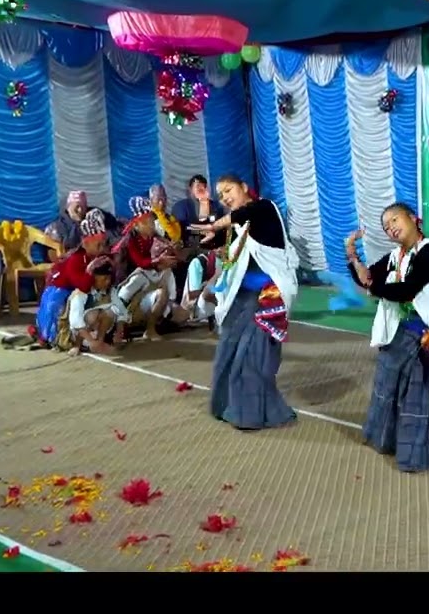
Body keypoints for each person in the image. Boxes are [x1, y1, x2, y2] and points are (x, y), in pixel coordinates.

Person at [346, 203, 429, 473]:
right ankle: (386, 440)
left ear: (414, 219)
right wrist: (352, 256)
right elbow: (369, 278)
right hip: (397, 333)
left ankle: (413, 456)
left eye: (395, 219)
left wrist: (374, 288)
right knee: (387, 388)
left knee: (416, 394)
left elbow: (406, 290)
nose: (391, 227)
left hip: (424, 335)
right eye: (386, 226)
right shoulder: (397, 255)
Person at [188, 174, 300, 431]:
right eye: (221, 195)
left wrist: (216, 226)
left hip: (268, 298)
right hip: (241, 298)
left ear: (244, 188)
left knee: (252, 355)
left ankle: (251, 414)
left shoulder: (265, 208)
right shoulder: (237, 228)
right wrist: (208, 218)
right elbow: (211, 239)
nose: (225, 197)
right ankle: (227, 406)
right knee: (228, 349)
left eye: (229, 190)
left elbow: (237, 217)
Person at [27, 209, 112, 351]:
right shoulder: (76, 259)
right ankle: (54, 337)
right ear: (86, 244)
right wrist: (90, 270)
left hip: (76, 292)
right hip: (60, 290)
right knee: (59, 306)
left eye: (103, 244)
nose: (102, 248)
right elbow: (82, 286)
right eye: (98, 245)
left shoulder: (97, 258)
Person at [111, 196, 184, 341]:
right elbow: (141, 262)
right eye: (148, 222)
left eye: (151, 220)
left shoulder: (151, 235)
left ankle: (152, 328)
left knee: (165, 279)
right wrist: (159, 261)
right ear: (138, 225)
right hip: (127, 286)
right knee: (140, 276)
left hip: (144, 282)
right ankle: (119, 324)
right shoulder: (129, 240)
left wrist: (171, 250)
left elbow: (167, 246)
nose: (152, 224)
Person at [170, 174, 226, 312]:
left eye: (203, 187)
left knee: (200, 261)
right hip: (188, 247)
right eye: (197, 187)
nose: (200, 190)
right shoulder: (181, 207)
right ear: (190, 190)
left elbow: (220, 232)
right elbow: (178, 231)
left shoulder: (216, 208)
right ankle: (188, 304)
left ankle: (196, 304)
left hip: (211, 248)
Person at [64, 261, 122, 355]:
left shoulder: (109, 290)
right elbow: (75, 322)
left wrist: (119, 333)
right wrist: (91, 341)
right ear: (94, 278)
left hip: (94, 331)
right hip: (76, 332)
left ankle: (100, 341)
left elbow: (120, 312)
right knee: (93, 315)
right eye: (104, 279)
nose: (108, 282)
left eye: (109, 279)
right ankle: (78, 345)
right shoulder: (80, 294)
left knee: (109, 311)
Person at [44, 190, 120, 252]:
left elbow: (113, 226)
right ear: (68, 207)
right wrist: (77, 224)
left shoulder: (95, 214)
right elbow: (71, 245)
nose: (80, 210)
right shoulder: (60, 225)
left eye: (83, 207)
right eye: (76, 207)